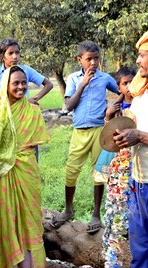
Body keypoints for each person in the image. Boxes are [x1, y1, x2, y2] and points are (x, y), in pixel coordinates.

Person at [0, 65, 49, 268]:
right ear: (5, 85)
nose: (21, 87)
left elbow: (33, 146)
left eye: (24, 83)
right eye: (16, 83)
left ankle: (30, 262)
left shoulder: (33, 110)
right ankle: (13, 262)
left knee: (30, 218)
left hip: (27, 171)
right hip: (4, 173)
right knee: (8, 219)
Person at [51, 40, 119, 233]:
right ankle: (68, 209)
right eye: (88, 59)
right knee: (71, 170)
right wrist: (82, 84)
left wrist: (117, 106)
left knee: (98, 173)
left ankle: (96, 214)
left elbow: (122, 90)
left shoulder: (105, 78)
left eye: (96, 58)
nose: (93, 63)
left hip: (99, 130)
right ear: (79, 59)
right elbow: (69, 105)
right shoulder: (73, 79)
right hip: (79, 132)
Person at [113, 30, 148, 268]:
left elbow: (139, 133)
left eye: (143, 55)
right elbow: (131, 124)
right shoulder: (140, 91)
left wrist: (140, 136)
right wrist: (120, 133)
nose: (137, 61)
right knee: (140, 243)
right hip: (139, 179)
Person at [93, 66, 136, 182]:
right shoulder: (116, 107)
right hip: (119, 148)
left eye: (132, 82)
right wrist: (108, 115)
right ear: (118, 87)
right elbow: (107, 130)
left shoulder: (141, 103)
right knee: (119, 179)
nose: (129, 86)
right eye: (125, 83)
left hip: (136, 147)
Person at [0, 37, 53, 103]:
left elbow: (49, 84)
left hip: (24, 111)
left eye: (17, 52)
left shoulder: (26, 70)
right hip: (5, 111)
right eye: (10, 53)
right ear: (2, 56)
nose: (15, 56)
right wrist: (19, 103)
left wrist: (33, 99)